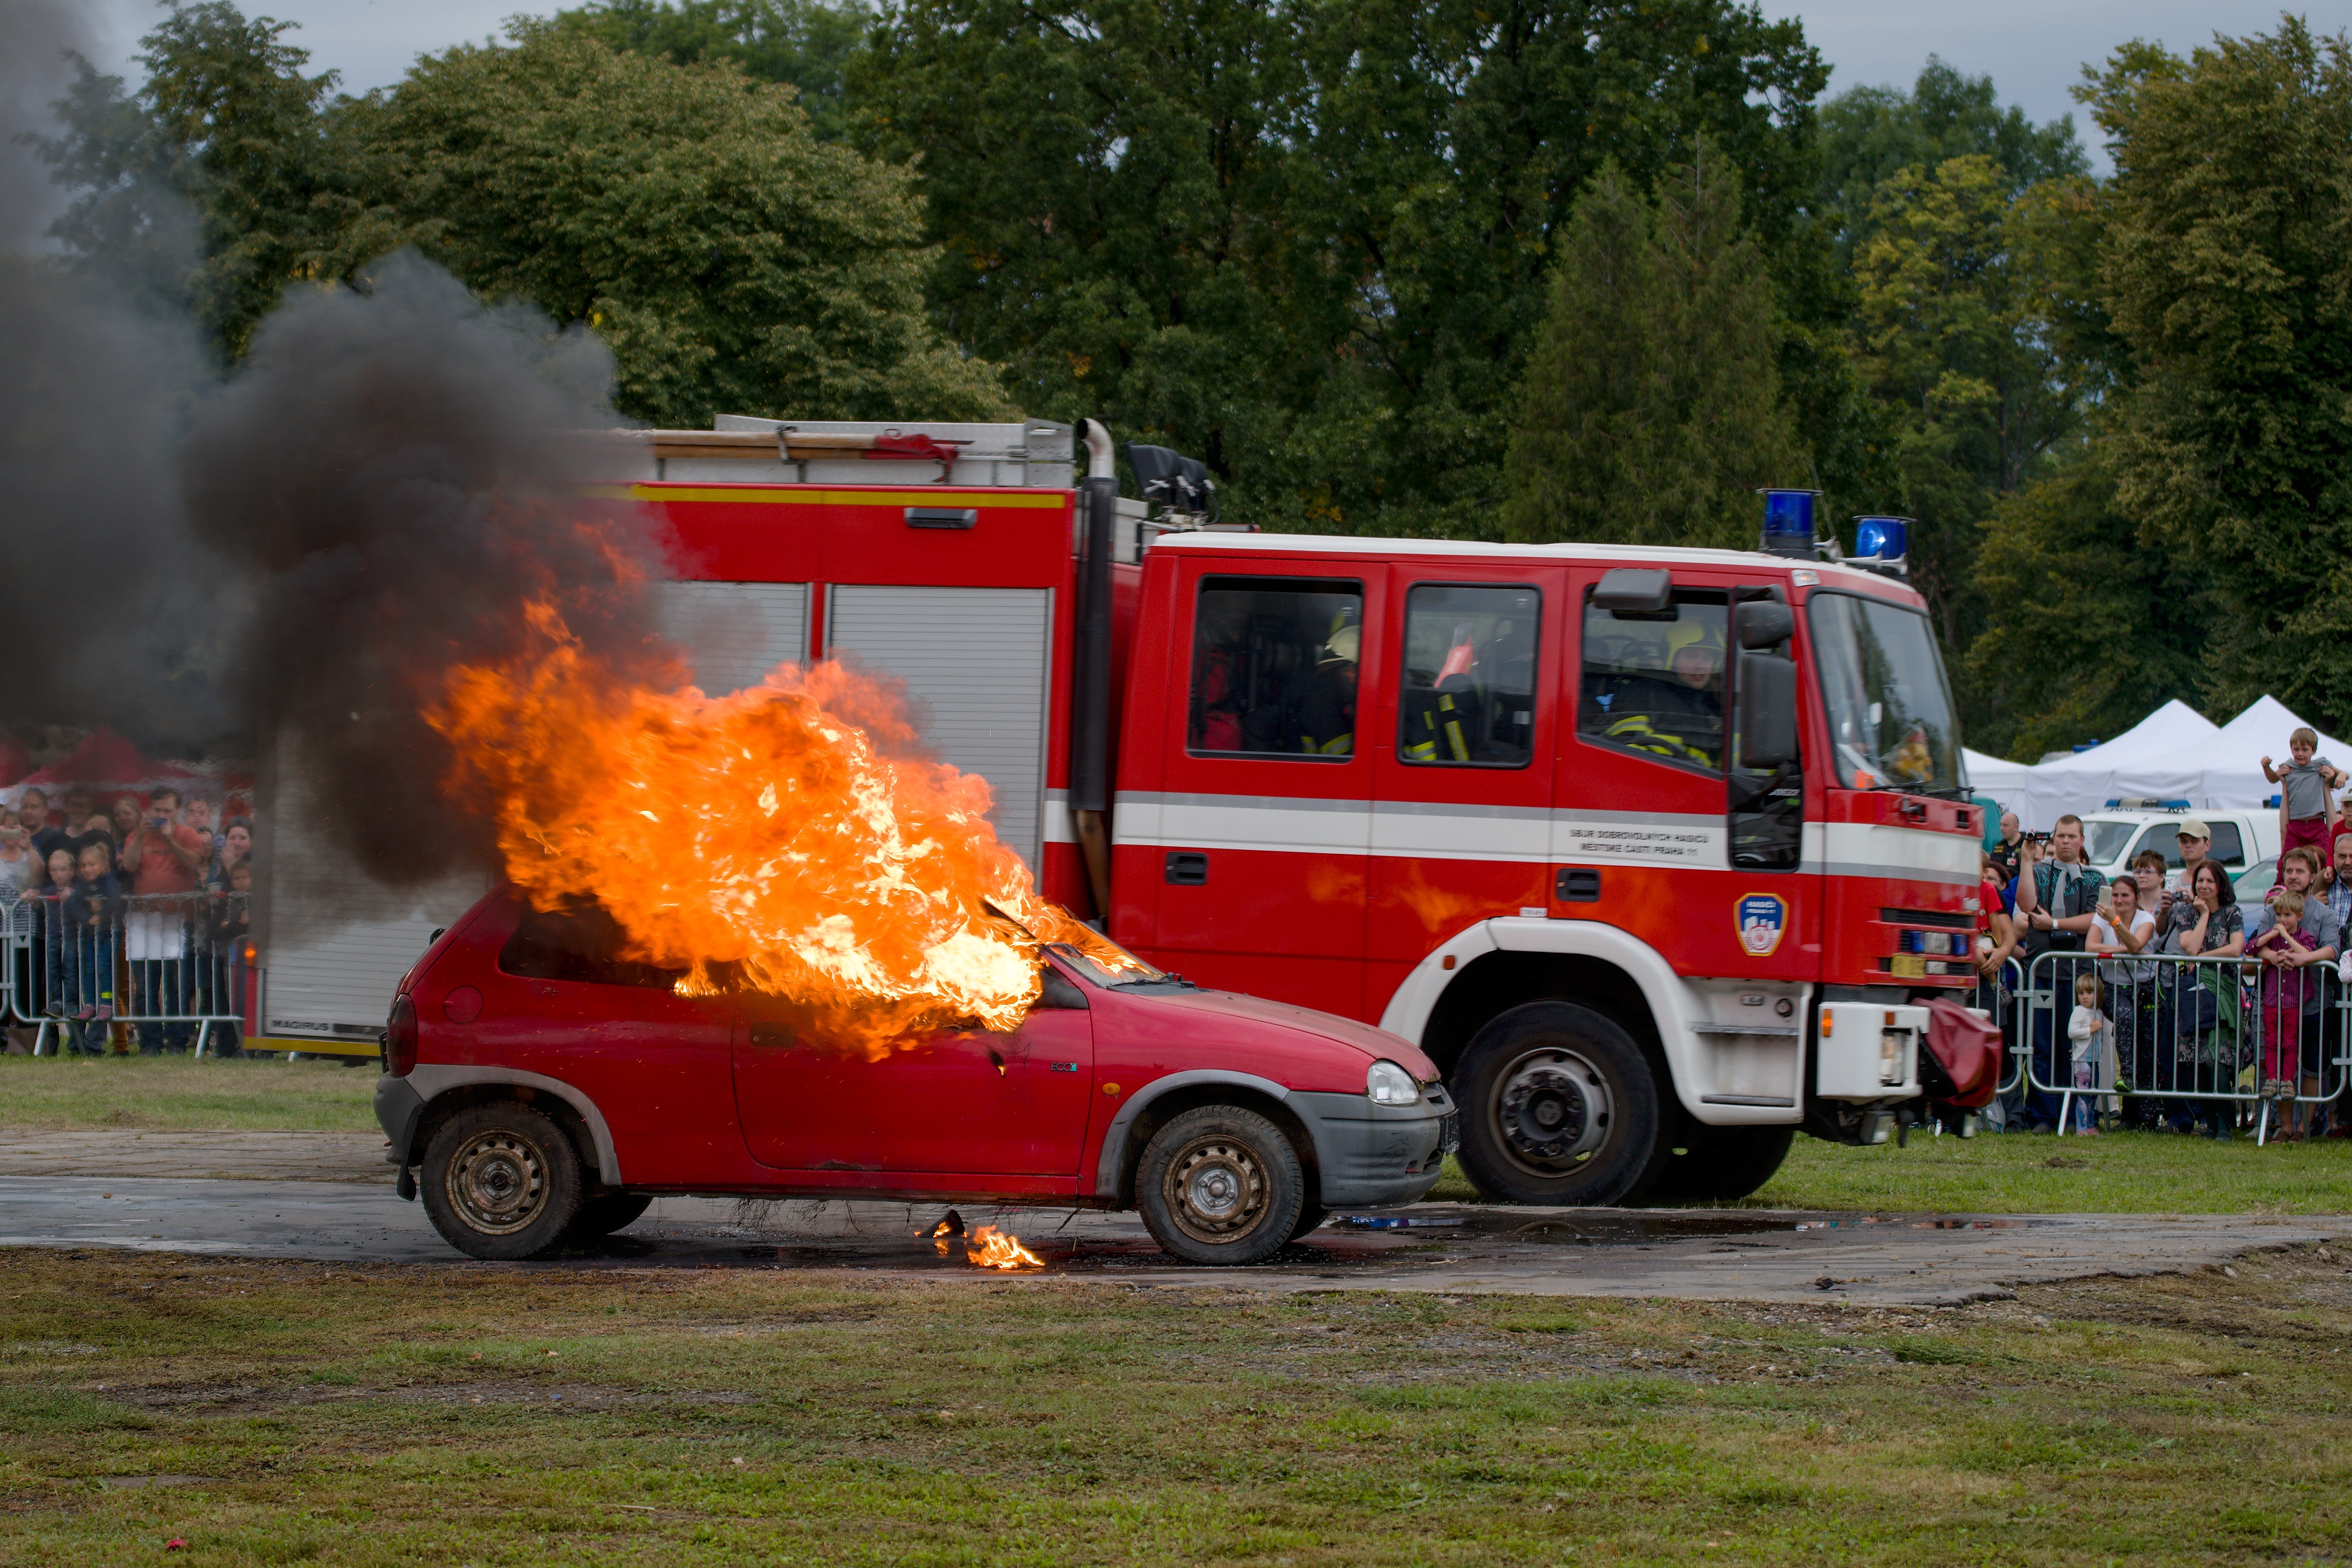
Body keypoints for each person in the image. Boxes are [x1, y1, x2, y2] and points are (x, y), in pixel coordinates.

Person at [2013, 815, 2106, 1132]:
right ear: (2053, 840)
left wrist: (2053, 924)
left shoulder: (2094, 878)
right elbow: (2027, 905)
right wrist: (2026, 861)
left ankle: (2073, 1114)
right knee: (2042, 1043)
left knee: (2075, 1045)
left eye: (2072, 836)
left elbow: (2095, 920)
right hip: (2043, 970)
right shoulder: (2039, 872)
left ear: (2082, 841)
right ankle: (2042, 1114)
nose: (2066, 842)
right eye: (2061, 836)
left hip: (2079, 975)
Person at [2247, 845, 2339, 1139]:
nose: (2294, 876)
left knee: (2312, 1067)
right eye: (2289, 871)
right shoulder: (2270, 911)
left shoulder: (2324, 914)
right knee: (2279, 1064)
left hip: (2314, 1004)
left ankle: (2304, 1127)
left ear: (2313, 876)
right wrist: (2271, 957)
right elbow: (2256, 945)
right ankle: (2285, 1127)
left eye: (2300, 871)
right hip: (2277, 1000)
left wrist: (2303, 959)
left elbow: (2332, 949)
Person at [2155, 860, 2246, 1138]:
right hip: (2194, 992)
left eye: (2210, 881)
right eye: (2200, 881)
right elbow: (2189, 946)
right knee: (2197, 1059)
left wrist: (2201, 959)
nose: (2204, 886)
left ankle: (2224, 1124)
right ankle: (2211, 1122)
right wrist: (2203, 915)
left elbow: (2236, 948)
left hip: (2223, 990)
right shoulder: (2186, 913)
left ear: (2221, 885)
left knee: (2216, 1059)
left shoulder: (2233, 912)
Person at [122, 787, 207, 1054]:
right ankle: (150, 1043)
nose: (161, 815)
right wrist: (140, 837)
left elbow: (193, 863)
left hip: (177, 919)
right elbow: (128, 865)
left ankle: (177, 1042)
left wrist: (171, 840)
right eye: (157, 810)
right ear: (149, 809)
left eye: (167, 811)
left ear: (178, 811)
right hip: (143, 920)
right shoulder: (137, 834)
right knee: (146, 987)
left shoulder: (188, 834)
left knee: (176, 985)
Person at [2091, 871, 2157, 1126]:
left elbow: (2138, 944)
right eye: (2115, 895)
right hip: (2113, 988)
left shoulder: (2145, 919)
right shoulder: (2101, 917)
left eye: (2125, 895)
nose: (2118, 900)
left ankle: (2145, 1118)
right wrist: (2123, 949)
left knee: (2148, 1049)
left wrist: (2116, 923)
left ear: (2137, 897)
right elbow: (2091, 946)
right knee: (2125, 1017)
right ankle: (2126, 1076)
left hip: (2145, 988)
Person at [62, 840, 122, 1043]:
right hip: (89, 934)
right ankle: (90, 1002)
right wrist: (86, 918)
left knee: (103, 967)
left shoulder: (109, 881)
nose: (88, 869)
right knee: (88, 968)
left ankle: (106, 1000)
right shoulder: (82, 886)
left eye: (92, 864)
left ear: (103, 865)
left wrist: (102, 915)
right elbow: (72, 904)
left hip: (107, 934)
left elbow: (115, 901)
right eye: (84, 866)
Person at [2262, 727, 2341, 871]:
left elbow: (2344, 774)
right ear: (2291, 750)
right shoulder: (2288, 767)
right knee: (2287, 860)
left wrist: (2341, 777)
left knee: (2326, 857)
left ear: (2313, 751)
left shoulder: (2320, 766)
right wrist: (2267, 767)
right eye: (2296, 750)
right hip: (2295, 825)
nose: (2300, 754)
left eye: (2305, 750)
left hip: (2316, 823)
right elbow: (2273, 779)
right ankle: (2281, 886)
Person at [1298, 624, 1359, 757]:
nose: (1348, 675)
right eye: (1345, 671)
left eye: (1350, 670)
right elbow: (1343, 764)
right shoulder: (1324, 708)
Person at [2066, 970, 2107, 1137]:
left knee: (2092, 1095)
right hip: (2082, 1061)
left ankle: (2090, 1126)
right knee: (2083, 1096)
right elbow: (2072, 1032)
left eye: (2089, 993)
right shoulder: (2079, 1011)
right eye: (2081, 993)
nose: (2085, 997)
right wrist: (2090, 1030)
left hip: (2094, 1060)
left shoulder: (2098, 1013)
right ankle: (2081, 1128)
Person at [18, 787, 65, 866]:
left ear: (46, 811)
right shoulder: (14, 837)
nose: (28, 812)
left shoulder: (54, 838)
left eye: (34, 807)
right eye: (25, 807)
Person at [1989, 811, 2025, 889]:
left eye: (2005, 825)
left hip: (2018, 888)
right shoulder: (1999, 846)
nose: (2001, 829)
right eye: (2001, 825)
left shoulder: (2025, 845)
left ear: (2016, 827)